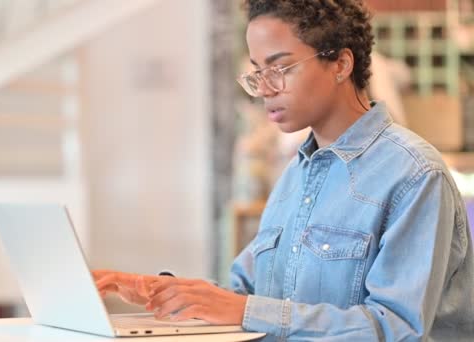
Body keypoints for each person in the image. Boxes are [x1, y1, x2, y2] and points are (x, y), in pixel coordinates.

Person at [94, 0, 474, 340]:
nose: (264, 88)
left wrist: (244, 311)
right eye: (257, 72)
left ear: (341, 64)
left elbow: (399, 330)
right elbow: (247, 295)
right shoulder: (296, 174)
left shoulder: (414, 175)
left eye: (281, 68)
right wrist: (154, 289)